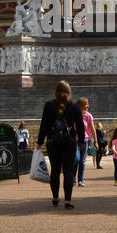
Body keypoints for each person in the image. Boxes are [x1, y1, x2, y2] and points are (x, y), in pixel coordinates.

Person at [37, 80, 85, 209]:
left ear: (56, 92)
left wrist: (39, 142)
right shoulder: (74, 106)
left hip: (53, 142)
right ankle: (68, 201)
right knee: (69, 172)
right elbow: (80, 127)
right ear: (69, 92)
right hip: (69, 142)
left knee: (55, 171)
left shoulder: (48, 106)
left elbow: (44, 125)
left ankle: (55, 198)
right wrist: (81, 142)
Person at [76, 97, 96, 187]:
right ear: (79, 106)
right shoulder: (74, 114)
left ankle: (80, 180)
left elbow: (92, 129)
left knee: (82, 161)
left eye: (87, 104)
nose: (87, 106)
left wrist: (96, 141)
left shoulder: (88, 116)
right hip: (75, 140)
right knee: (76, 159)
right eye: (85, 105)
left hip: (85, 140)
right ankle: (72, 178)